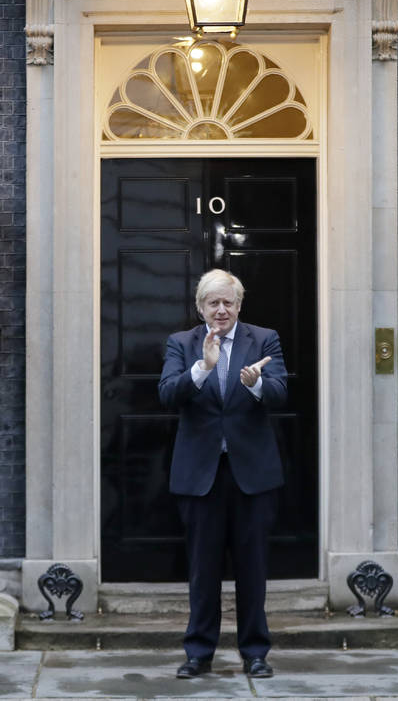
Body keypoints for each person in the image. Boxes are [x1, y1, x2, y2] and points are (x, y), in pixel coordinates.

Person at [157, 268, 288, 679]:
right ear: (200, 308)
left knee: (252, 568)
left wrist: (256, 384)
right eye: (213, 302)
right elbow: (167, 394)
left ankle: (255, 653)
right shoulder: (182, 344)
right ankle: (199, 653)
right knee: (203, 569)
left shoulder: (264, 339)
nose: (221, 310)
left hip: (252, 475)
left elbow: (282, 391)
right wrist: (202, 369)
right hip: (201, 476)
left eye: (228, 302)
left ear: (239, 305)